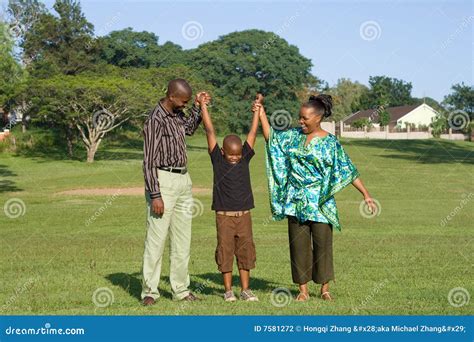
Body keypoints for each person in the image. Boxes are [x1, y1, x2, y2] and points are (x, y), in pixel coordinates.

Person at [255, 94, 377, 301]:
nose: (300, 122)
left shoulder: (330, 143)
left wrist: (366, 194)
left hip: (320, 204)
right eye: (299, 117)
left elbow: (347, 169)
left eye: (305, 118)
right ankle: (303, 291)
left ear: (318, 118)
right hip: (295, 203)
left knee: (322, 246)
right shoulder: (293, 136)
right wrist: (261, 113)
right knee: (299, 247)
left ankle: (324, 289)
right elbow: (272, 139)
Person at [141, 78, 209, 306]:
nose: (184, 105)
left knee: (183, 241)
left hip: (183, 180)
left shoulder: (177, 115)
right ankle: (150, 292)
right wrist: (155, 194)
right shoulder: (155, 120)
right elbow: (148, 161)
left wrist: (198, 106)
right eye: (183, 101)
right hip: (163, 181)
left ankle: (181, 289)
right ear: (171, 96)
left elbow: (189, 128)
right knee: (156, 240)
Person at [200, 93, 260, 302]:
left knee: (246, 253)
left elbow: (253, 132)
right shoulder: (217, 159)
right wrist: (203, 106)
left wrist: (257, 110)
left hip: (244, 216)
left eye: (237, 154)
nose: (235, 158)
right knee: (225, 252)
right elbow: (210, 130)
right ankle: (228, 291)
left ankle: (245, 289)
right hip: (224, 217)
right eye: (231, 154)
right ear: (223, 152)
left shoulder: (244, 158)